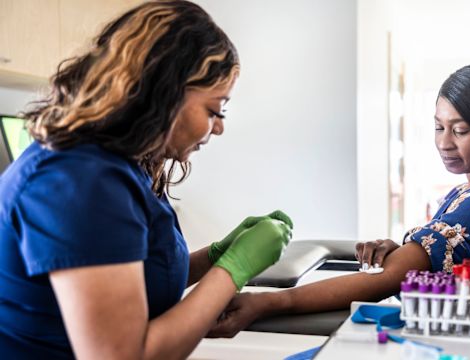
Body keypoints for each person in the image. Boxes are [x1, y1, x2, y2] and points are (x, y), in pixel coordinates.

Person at [0, 1, 292, 358]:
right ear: (163, 93)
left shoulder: (124, 166)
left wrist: (217, 257)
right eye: (214, 110)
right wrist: (234, 270)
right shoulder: (79, 180)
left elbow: (128, 281)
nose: (218, 127)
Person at [208, 64, 470, 338]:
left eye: (459, 131)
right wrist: (402, 252)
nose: (443, 142)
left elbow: (387, 280)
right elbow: (438, 261)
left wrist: (267, 303)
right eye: (438, 127)